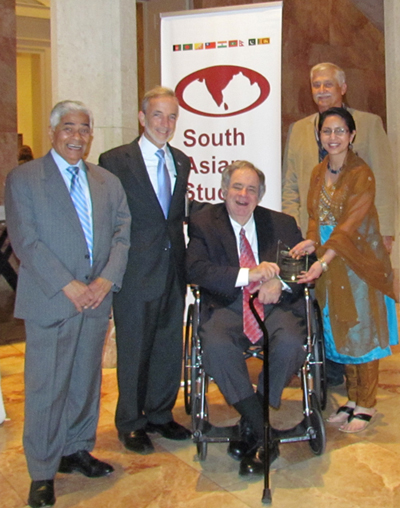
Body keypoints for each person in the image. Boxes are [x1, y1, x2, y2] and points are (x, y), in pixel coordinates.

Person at [5, 100, 131, 508]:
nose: (77, 136)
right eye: (69, 128)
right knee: (46, 387)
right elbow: (27, 241)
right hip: (51, 299)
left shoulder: (107, 182)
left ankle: (76, 448)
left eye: (84, 129)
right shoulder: (24, 178)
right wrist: (69, 285)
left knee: (84, 380)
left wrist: (106, 279)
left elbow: (122, 235)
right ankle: (42, 471)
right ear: (53, 131)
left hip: (96, 299)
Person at [186, 161, 307, 476]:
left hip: (273, 307)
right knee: (214, 345)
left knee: (292, 342)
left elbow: (306, 267)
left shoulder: (281, 223)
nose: (243, 194)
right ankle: (263, 428)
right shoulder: (204, 223)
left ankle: (252, 426)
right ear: (223, 190)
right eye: (237, 187)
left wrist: (278, 282)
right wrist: (247, 274)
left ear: (260, 195)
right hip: (227, 305)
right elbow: (196, 269)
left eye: (251, 189)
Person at [290, 107, 398, 434]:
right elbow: (313, 217)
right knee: (339, 329)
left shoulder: (361, 173)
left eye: (340, 131)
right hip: (329, 257)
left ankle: (366, 402)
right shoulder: (317, 171)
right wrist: (310, 243)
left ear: (351, 136)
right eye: (327, 131)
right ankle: (351, 399)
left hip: (356, 260)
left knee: (361, 330)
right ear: (319, 136)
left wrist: (323, 261)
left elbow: (350, 225)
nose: (333, 137)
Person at [99, 86, 191, 455]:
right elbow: (107, 219)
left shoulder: (182, 159)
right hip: (135, 270)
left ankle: (159, 414)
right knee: (135, 348)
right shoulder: (114, 160)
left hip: (174, 268)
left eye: (171, 116)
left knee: (169, 344)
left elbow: (176, 214)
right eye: (158, 115)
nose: (165, 123)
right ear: (142, 117)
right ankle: (130, 422)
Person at [282, 62, 395, 253]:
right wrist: (292, 223)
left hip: (358, 231)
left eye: (328, 84)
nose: (322, 90)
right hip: (312, 234)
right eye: (316, 85)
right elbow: (290, 184)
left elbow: (383, 181)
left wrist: (385, 231)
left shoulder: (369, 125)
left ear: (342, 88)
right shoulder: (298, 130)